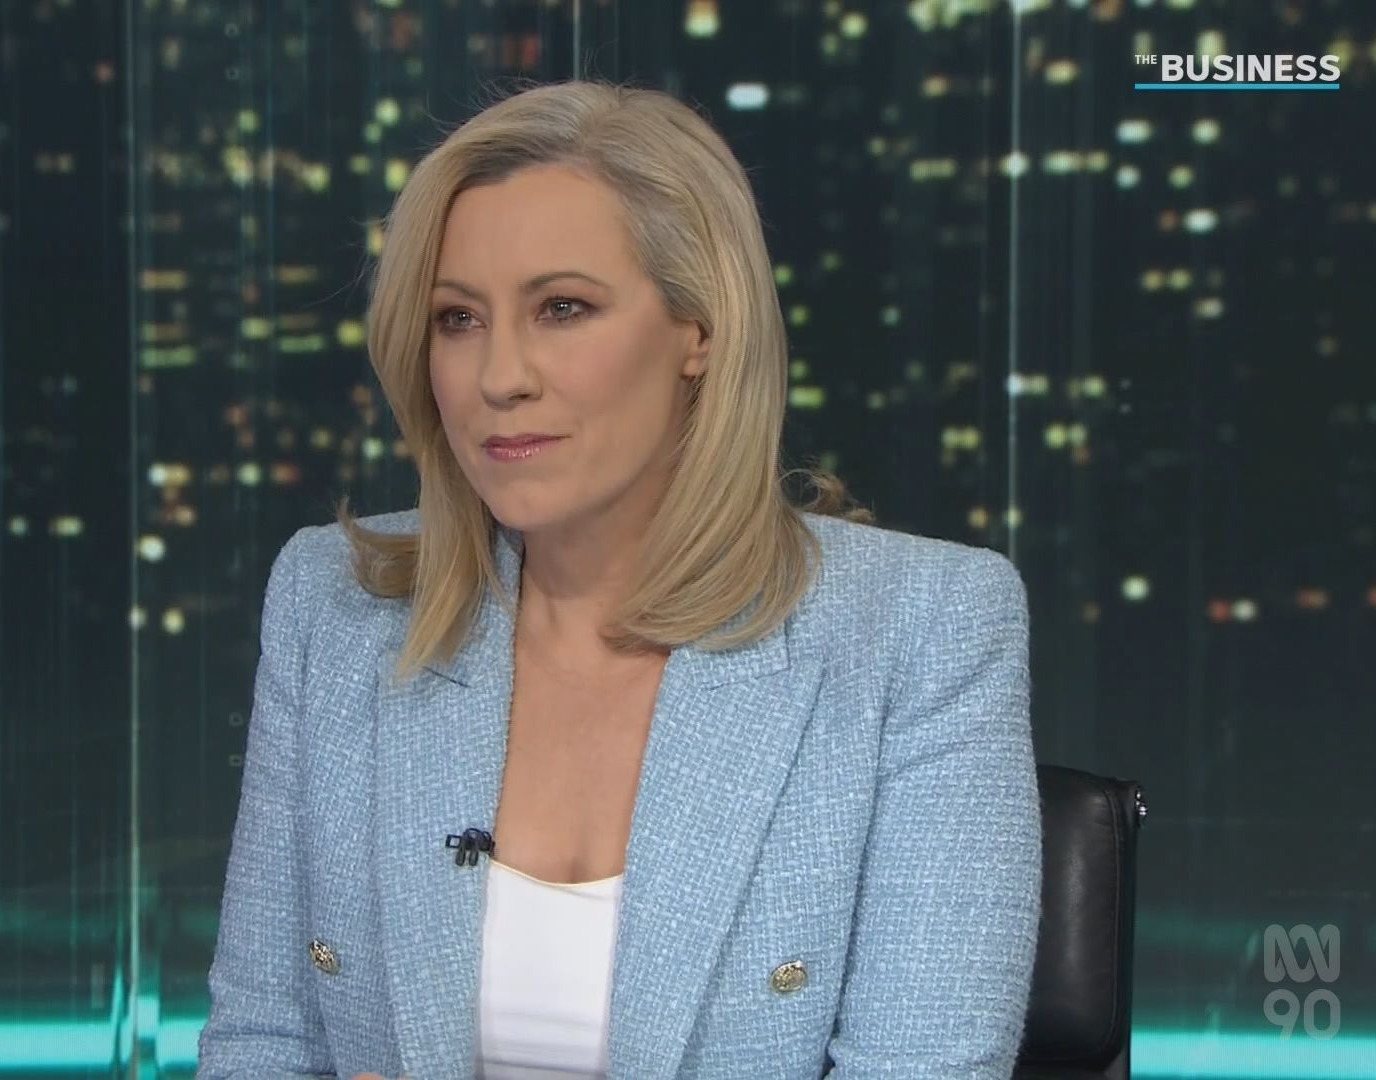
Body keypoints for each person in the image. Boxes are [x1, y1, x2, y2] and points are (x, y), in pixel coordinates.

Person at [197, 78, 1041, 1079]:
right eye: (457, 319)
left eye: (562, 308)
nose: (500, 376)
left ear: (700, 329)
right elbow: (262, 1042)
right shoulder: (332, 603)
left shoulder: (921, 629)